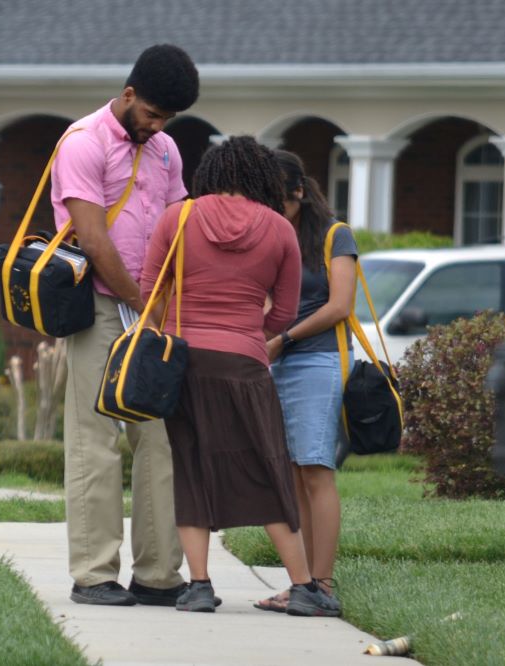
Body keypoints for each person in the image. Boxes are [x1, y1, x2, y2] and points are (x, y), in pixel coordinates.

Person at [139, 136, 341, 616]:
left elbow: (151, 292)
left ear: (210, 172)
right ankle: (306, 586)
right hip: (246, 363)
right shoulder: (278, 229)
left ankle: (200, 585)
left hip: (184, 361)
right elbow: (286, 311)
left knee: (189, 469)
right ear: (261, 179)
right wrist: (250, 332)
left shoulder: (178, 217)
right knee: (267, 469)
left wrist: (172, 329)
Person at [51, 44, 200, 606]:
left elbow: (177, 226)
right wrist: (144, 302)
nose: (158, 127)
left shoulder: (164, 152)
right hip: (95, 305)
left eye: (167, 120)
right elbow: (91, 237)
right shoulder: (83, 143)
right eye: (153, 115)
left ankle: (159, 574)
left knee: (159, 437)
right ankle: (94, 574)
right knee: (96, 439)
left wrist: (168, 304)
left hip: (151, 309)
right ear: (129, 94)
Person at [256, 149, 358, 614]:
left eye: (277, 200)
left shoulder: (336, 235)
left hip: (316, 360)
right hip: (275, 357)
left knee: (316, 470)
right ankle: (304, 584)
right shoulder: (272, 236)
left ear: (299, 191)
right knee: (292, 475)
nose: (270, 209)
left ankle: (324, 584)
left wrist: (284, 339)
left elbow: (340, 305)